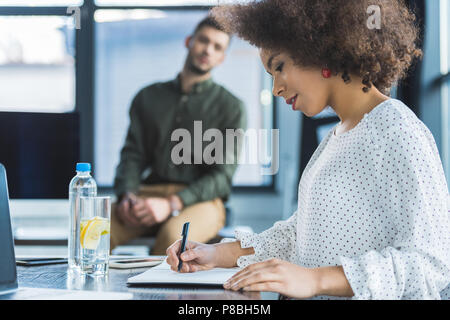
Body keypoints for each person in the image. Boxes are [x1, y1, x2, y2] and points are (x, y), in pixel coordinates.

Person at [166, 0, 450, 300]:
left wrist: (316, 280)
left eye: (279, 67)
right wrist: (213, 253)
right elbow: (298, 235)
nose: (275, 88)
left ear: (322, 48)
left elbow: (431, 262)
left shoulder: (396, 128)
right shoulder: (336, 137)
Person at [111, 16, 246, 255]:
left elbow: (222, 177)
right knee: (93, 229)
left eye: (217, 47)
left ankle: (152, 294)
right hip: (148, 194)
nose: (207, 49)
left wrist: (172, 203)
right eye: (203, 40)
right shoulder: (148, 97)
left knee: (173, 239)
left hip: (202, 202)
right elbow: (132, 154)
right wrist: (127, 195)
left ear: (222, 58)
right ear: (188, 41)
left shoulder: (231, 107)